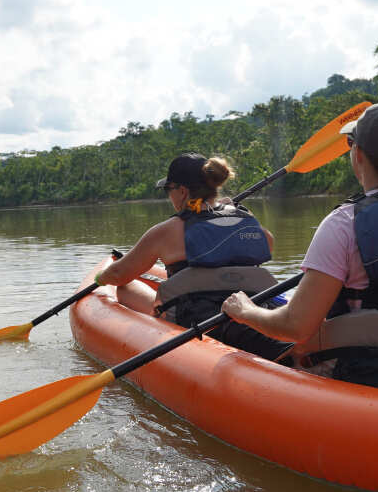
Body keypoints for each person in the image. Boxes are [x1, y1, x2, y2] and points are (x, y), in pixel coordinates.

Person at [220, 102, 378, 394]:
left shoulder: (344, 223)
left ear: (357, 155)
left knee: (285, 349)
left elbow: (295, 326)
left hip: (362, 373)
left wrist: (245, 310)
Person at [93, 152, 292, 361]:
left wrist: (100, 278)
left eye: (169, 189)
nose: (169, 196)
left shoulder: (167, 231)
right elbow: (268, 243)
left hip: (196, 318)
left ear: (182, 191)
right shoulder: (241, 219)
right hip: (249, 305)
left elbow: (119, 274)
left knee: (125, 289)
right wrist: (235, 214)